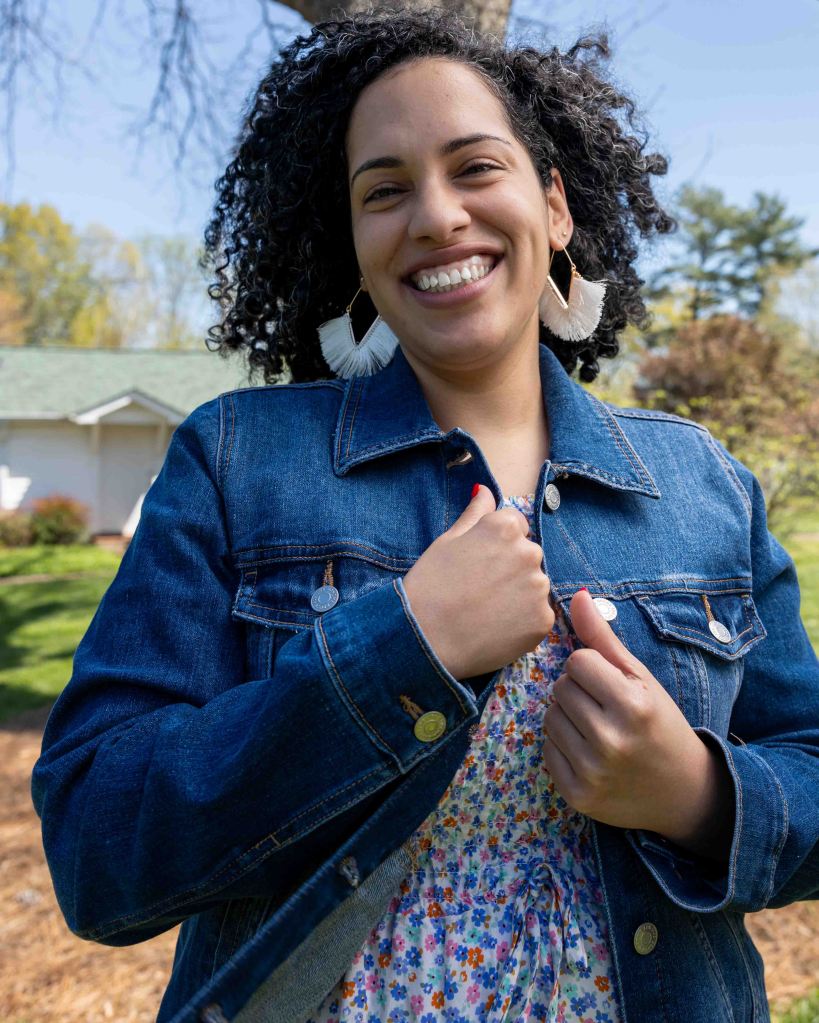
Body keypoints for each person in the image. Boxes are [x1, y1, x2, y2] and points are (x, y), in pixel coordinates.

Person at [31, 8, 819, 1023]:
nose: (437, 216)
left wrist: (696, 796)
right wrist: (400, 652)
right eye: (385, 190)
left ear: (555, 207)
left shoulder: (702, 481)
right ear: (356, 246)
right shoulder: (235, 463)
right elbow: (97, 847)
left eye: (475, 167)